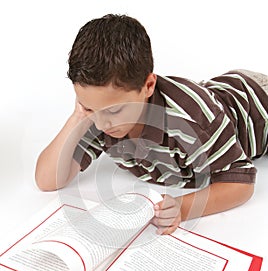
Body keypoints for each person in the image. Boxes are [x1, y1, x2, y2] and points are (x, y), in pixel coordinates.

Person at [35, 14, 268, 235]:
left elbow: (241, 183)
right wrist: (78, 117)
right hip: (219, 94)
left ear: (148, 85)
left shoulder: (193, 121)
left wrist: (182, 207)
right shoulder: (99, 116)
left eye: (114, 111)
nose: (102, 122)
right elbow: (47, 180)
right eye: (88, 107)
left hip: (258, 103)